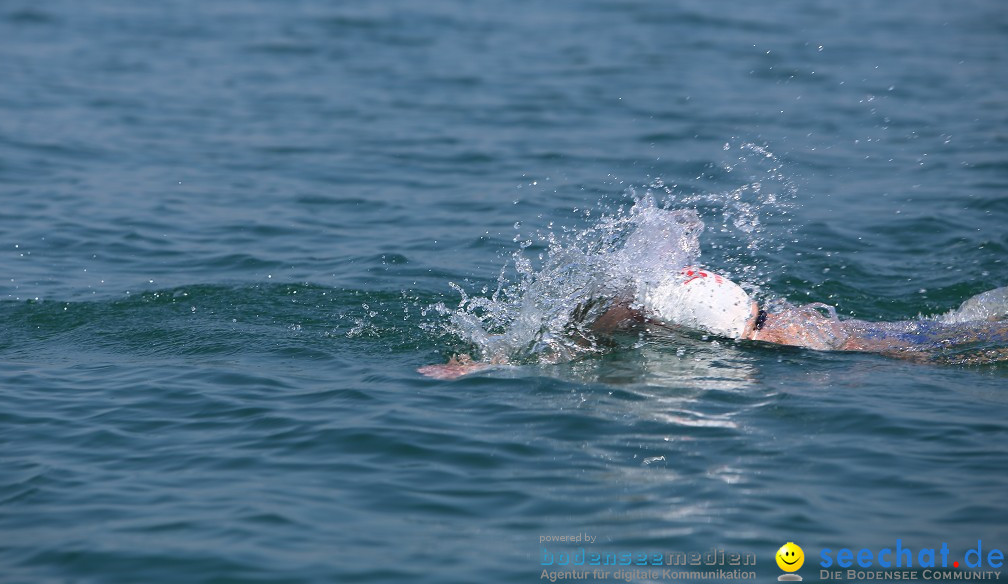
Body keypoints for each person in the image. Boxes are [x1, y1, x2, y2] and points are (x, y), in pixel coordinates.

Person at [419, 267, 1008, 379]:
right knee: (925, 335)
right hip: (771, 322)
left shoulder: (623, 304)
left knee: (929, 346)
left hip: (774, 333)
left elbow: (562, 348)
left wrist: (484, 364)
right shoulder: (630, 287)